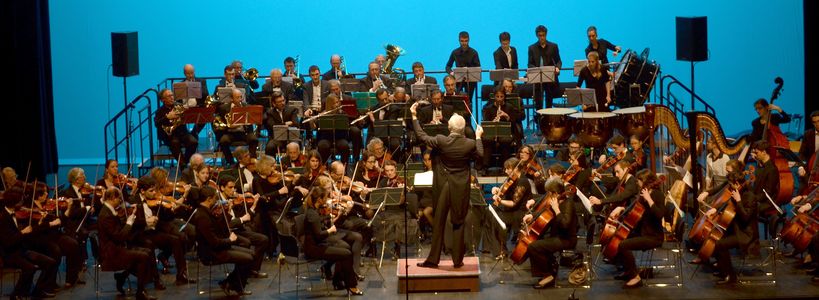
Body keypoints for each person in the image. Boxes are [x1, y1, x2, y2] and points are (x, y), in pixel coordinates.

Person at [410, 101, 484, 268]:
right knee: (458, 221)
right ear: (463, 129)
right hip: (461, 186)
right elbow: (480, 154)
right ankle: (457, 260)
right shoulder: (470, 143)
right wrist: (478, 136)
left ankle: (433, 260)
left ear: (449, 128)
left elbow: (421, 136)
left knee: (439, 221)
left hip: (443, 184)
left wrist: (414, 116)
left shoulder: (442, 140)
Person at [189, 185, 254, 296]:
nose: (217, 201)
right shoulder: (202, 216)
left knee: (252, 254)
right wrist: (230, 240)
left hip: (219, 248)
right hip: (211, 253)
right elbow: (214, 243)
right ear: (209, 199)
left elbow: (222, 230)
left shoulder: (207, 212)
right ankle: (232, 285)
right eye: (215, 198)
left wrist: (226, 212)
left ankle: (230, 283)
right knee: (248, 258)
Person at [608, 169, 666, 289]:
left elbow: (659, 214)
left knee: (623, 245)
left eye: (639, 181)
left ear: (645, 181)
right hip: (642, 231)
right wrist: (621, 209)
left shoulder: (657, 195)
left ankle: (635, 277)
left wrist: (649, 200)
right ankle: (629, 270)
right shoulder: (644, 193)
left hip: (653, 236)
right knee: (617, 239)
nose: (637, 183)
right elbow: (635, 208)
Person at [301, 185, 364, 295]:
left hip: (319, 243)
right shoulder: (312, 214)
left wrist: (330, 217)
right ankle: (351, 285)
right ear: (319, 199)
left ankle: (339, 281)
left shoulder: (315, 210)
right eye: (325, 197)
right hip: (313, 248)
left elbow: (320, 223)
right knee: (346, 253)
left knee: (345, 249)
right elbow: (319, 235)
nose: (327, 200)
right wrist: (330, 230)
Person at [97, 187, 157, 300]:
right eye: (119, 198)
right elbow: (119, 237)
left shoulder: (109, 210)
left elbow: (117, 229)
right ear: (112, 198)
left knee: (147, 251)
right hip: (111, 253)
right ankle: (140, 292)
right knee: (143, 256)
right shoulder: (105, 215)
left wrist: (129, 215)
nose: (121, 201)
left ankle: (123, 276)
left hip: (116, 247)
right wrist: (129, 222)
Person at [523, 179, 577, 289]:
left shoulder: (568, 203)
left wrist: (557, 209)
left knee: (534, 246)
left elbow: (565, 225)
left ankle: (547, 275)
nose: (548, 195)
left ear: (555, 193)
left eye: (549, 193)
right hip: (557, 236)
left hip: (567, 239)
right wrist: (532, 216)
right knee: (535, 241)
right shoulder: (556, 201)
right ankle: (550, 270)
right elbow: (545, 210)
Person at [709, 172, 758, 285]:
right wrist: (715, 209)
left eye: (731, 185)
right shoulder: (738, 191)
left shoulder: (749, 196)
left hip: (746, 234)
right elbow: (727, 203)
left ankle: (731, 276)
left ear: (737, 184)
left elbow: (746, 217)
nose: (730, 188)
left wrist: (739, 201)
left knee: (720, 244)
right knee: (716, 239)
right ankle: (723, 269)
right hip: (737, 229)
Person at [490, 157, 532, 258]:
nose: (505, 171)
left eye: (508, 168)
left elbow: (514, 203)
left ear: (516, 169)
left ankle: (501, 250)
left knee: (496, 218)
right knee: (490, 211)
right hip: (511, 210)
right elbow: (504, 191)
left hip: (519, 212)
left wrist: (500, 201)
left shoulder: (522, 181)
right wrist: (497, 190)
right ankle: (495, 249)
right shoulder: (512, 179)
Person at [214, 89, 260, 165]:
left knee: (254, 139)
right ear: (232, 99)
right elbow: (219, 121)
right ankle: (231, 162)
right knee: (223, 141)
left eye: (241, 97)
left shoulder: (246, 106)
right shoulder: (223, 108)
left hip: (244, 133)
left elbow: (253, 118)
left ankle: (251, 161)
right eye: (237, 97)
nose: (240, 99)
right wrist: (229, 125)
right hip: (230, 133)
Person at [481, 86, 521, 171]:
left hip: (506, 133)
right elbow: (486, 124)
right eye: (497, 96)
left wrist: (507, 116)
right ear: (494, 97)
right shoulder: (488, 108)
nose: (499, 99)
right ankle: (485, 166)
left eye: (501, 96)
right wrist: (493, 122)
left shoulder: (509, 107)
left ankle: (505, 166)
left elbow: (514, 123)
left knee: (505, 140)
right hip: (492, 133)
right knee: (487, 140)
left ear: (504, 97)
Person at [155, 88, 199, 166]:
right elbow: (157, 124)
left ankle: (184, 162)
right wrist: (167, 117)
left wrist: (187, 113)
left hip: (182, 133)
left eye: (172, 95)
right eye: (169, 96)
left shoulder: (179, 106)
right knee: (175, 144)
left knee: (193, 142)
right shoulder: (160, 111)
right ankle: (183, 166)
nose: (172, 97)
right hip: (169, 136)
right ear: (163, 100)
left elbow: (187, 117)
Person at [527, 25, 562, 109]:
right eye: (540, 35)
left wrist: (557, 67)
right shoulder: (532, 48)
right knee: (538, 103)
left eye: (543, 35)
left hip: (550, 78)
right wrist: (535, 69)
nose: (542, 37)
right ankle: (539, 116)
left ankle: (548, 116)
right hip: (538, 79)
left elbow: (558, 61)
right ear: (537, 35)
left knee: (549, 102)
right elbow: (530, 64)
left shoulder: (553, 46)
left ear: (546, 35)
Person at [445, 31, 480, 102]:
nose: (464, 43)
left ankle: (469, 108)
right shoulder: (455, 52)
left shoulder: (474, 52)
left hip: (471, 81)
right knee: (457, 98)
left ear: (469, 40)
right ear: (459, 40)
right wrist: (451, 73)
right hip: (458, 80)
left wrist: (470, 70)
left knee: (469, 99)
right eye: (462, 41)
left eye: (466, 41)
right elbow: (448, 66)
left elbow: (478, 67)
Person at [182, 64, 210, 136]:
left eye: (192, 73)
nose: (191, 75)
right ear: (184, 73)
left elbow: (206, 94)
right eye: (188, 74)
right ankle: (186, 135)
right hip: (185, 108)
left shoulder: (201, 81)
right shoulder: (181, 84)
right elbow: (178, 99)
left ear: (194, 72)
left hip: (198, 107)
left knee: (205, 116)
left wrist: (196, 89)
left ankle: (193, 133)